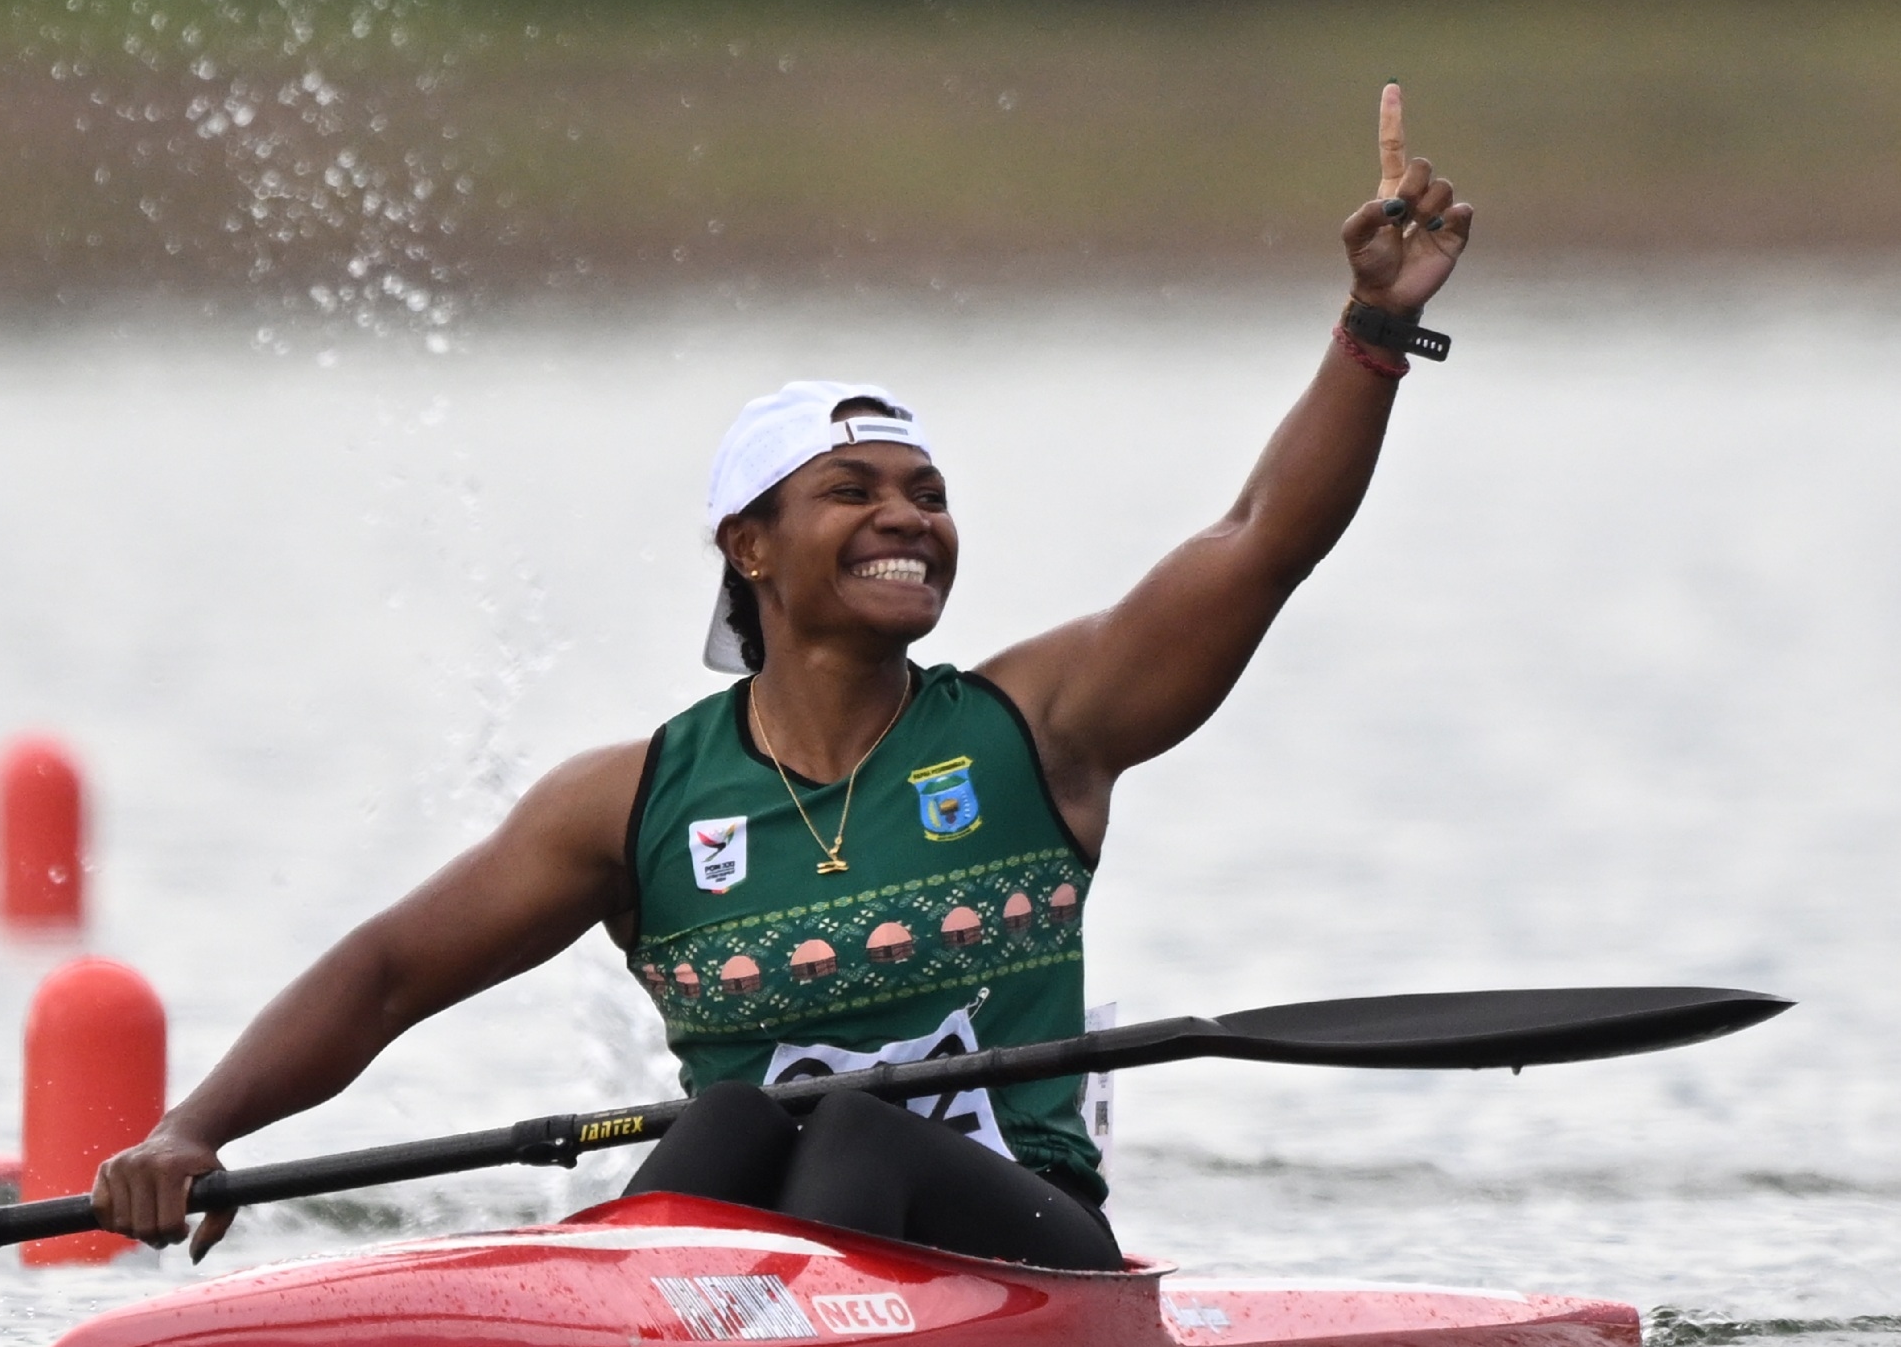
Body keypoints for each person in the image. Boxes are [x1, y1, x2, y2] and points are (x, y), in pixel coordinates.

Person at [95, 83, 1473, 1268]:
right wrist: (192, 1128)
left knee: (853, 1126)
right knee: (739, 1119)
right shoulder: (632, 802)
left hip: (1033, 1248)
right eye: (854, 489)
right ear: (749, 545)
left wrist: (1374, 330)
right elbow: (391, 970)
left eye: (929, 492)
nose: (909, 516)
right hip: (751, 1236)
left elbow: (1259, 544)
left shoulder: (1039, 726)